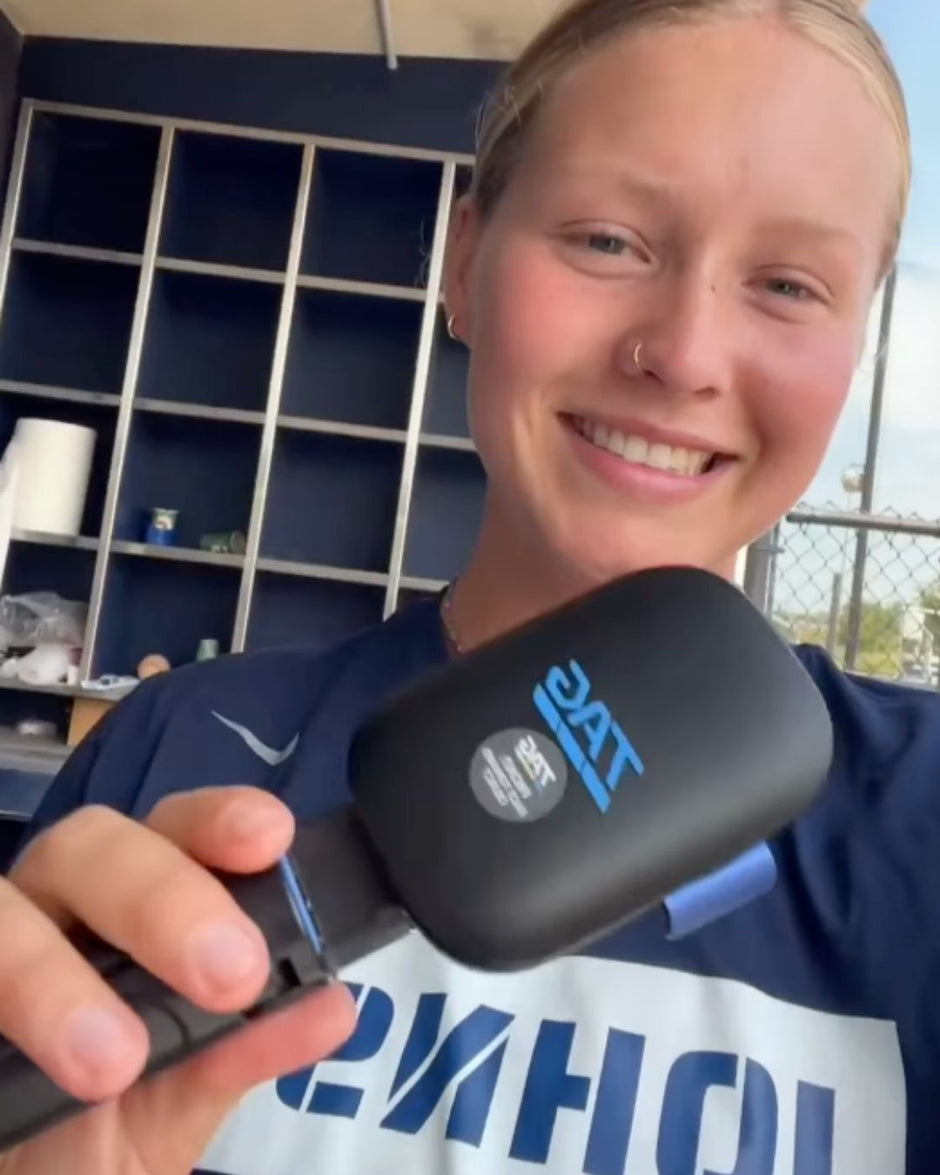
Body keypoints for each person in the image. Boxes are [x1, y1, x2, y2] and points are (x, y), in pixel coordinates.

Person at [1, 0, 937, 1171]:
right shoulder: (174, 745)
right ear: (461, 260)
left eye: (790, 285)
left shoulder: (921, 822)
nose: (685, 355)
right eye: (607, 239)